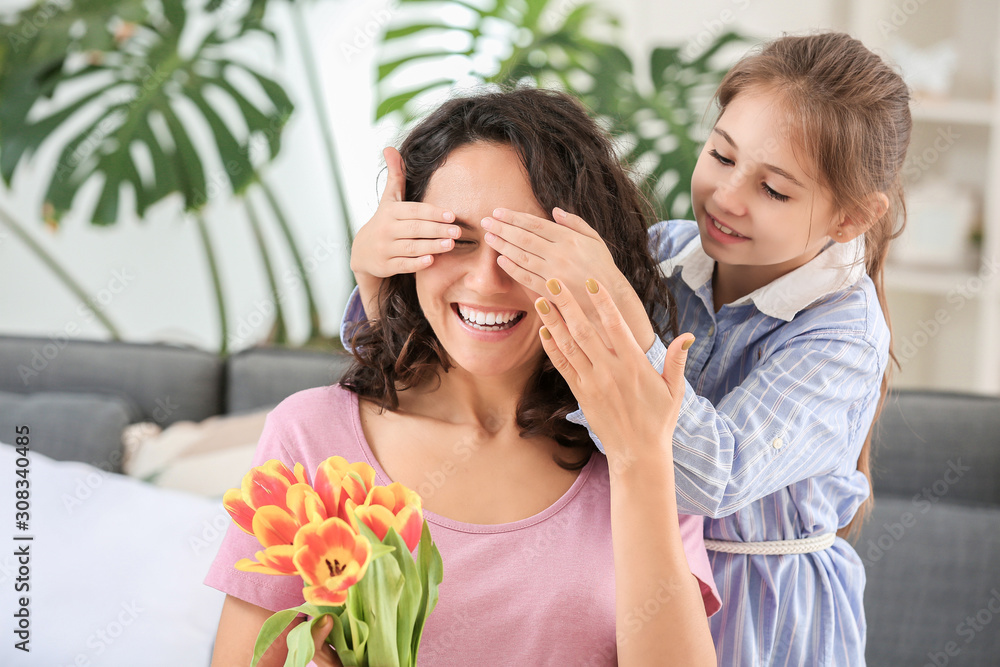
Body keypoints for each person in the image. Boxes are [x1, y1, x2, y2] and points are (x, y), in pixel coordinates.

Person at [349, 32, 912, 665]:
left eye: (774, 190)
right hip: (631, 586)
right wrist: (377, 273)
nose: (727, 197)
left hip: (763, 615)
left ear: (850, 218)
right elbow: (490, 349)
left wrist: (617, 308)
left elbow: (710, 480)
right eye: (721, 156)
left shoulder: (844, 338)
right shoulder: (665, 250)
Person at [205, 87, 722, 667]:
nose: (485, 281)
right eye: (456, 240)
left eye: (526, 250)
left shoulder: (647, 444)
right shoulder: (309, 436)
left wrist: (639, 459)